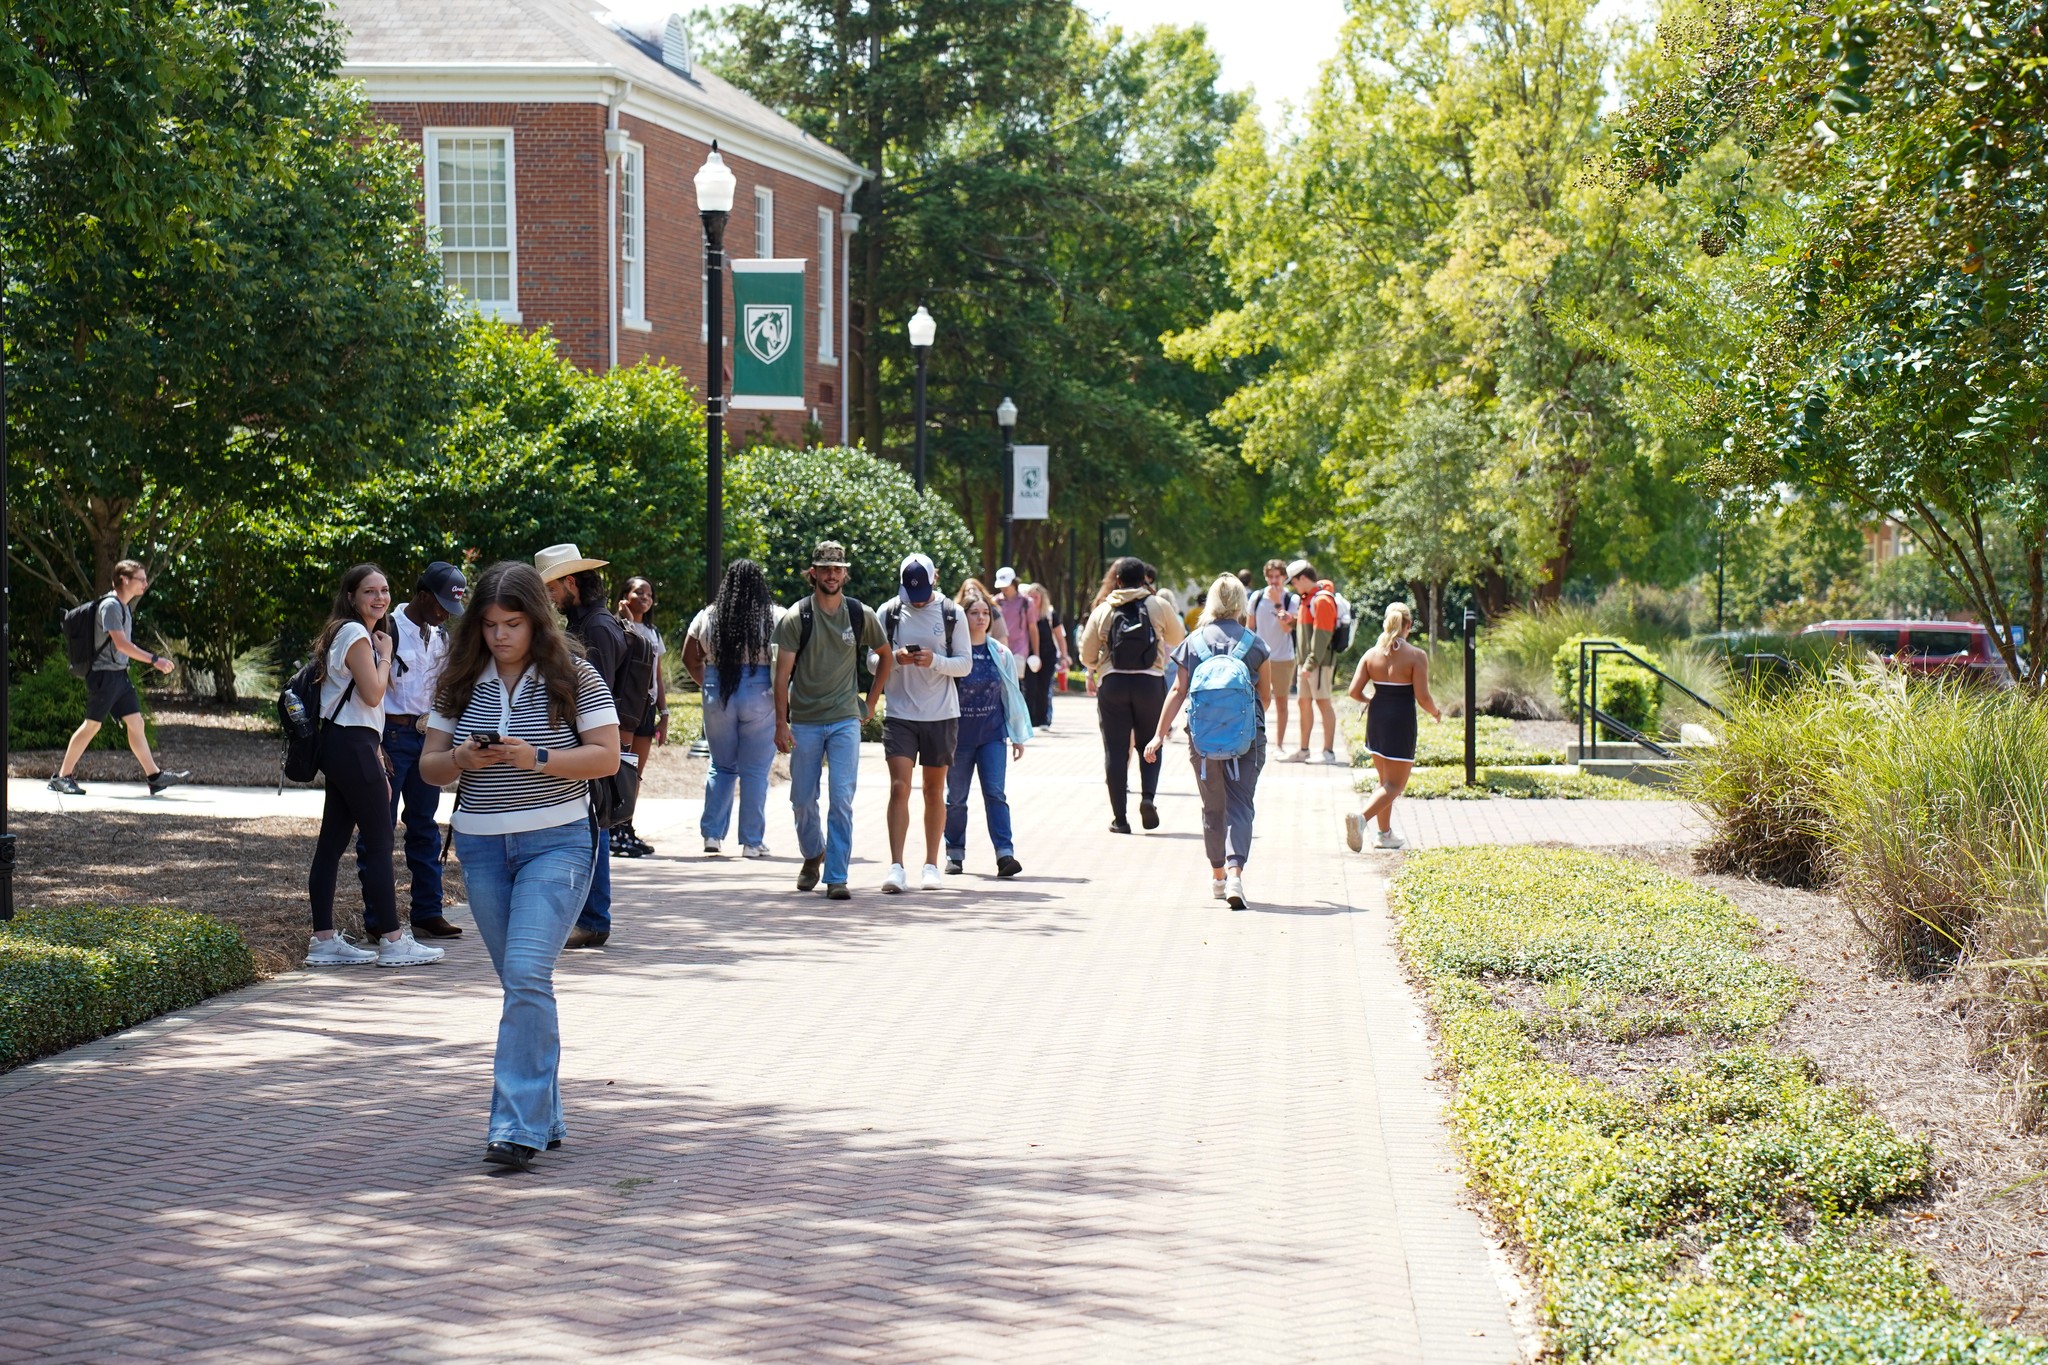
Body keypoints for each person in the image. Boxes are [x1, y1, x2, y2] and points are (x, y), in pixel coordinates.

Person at [418, 561, 621, 1172]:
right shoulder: (459, 680)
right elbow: (428, 768)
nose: (500, 635)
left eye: (512, 623)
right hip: (482, 847)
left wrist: (536, 757)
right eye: (489, 624)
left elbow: (607, 757)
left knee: (528, 974)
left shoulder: (574, 676)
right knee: (520, 983)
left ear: (538, 620)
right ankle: (544, 1115)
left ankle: (515, 1128)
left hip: (557, 844)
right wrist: (461, 758)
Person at [303, 564, 446, 969]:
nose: (380, 598)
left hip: (348, 742)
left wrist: (377, 748)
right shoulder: (355, 634)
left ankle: (324, 941)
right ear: (351, 596)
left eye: (384, 590)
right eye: (370, 591)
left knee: (332, 844)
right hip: (352, 744)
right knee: (380, 842)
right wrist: (385, 656)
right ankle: (393, 941)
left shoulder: (348, 632)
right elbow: (373, 693)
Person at [772, 541, 892, 900]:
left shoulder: (858, 613)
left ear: (845, 574)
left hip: (844, 719)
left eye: (837, 569)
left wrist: (871, 702)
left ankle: (837, 876)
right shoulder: (797, 616)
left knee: (841, 798)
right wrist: (781, 723)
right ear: (813, 573)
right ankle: (813, 854)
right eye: (825, 569)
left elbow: (885, 655)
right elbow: (782, 676)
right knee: (802, 799)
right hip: (806, 720)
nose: (831, 575)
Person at [1145, 574, 1271, 908]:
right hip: (1248, 738)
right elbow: (1266, 697)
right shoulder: (1255, 643)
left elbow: (1178, 690)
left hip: (1203, 739)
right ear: (1241, 602)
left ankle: (1217, 877)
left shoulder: (1193, 643)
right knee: (1240, 805)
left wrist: (1158, 735)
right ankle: (1235, 875)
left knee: (1213, 807)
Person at [536, 544, 630, 950]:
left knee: (594, 828)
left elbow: (595, 695)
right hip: (581, 744)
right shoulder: (587, 622)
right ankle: (587, 918)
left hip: (590, 745)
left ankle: (592, 920)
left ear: (571, 582)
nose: (549, 598)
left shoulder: (596, 628)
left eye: (551, 588)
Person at [372, 561, 467, 941]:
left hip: (428, 739)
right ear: (423, 595)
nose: (446, 613)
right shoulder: (388, 630)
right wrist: (376, 744)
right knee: (379, 830)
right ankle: (379, 919)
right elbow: (370, 693)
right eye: (442, 604)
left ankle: (428, 912)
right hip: (391, 738)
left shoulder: (441, 637)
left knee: (425, 827)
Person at [48, 561, 188, 796]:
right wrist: (155, 660)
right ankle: (62, 777)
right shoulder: (111, 606)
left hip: (119, 675)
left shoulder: (123, 606)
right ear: (124, 579)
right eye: (141, 579)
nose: (145, 583)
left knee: (136, 723)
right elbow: (122, 645)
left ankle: (154, 776)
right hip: (104, 675)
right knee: (92, 725)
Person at [875, 554, 971, 893]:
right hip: (900, 714)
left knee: (933, 790)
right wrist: (894, 659)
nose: (916, 600)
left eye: (922, 592)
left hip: (941, 714)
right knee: (899, 787)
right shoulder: (888, 612)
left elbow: (964, 664)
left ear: (935, 579)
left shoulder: (952, 613)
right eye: (910, 593)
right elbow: (872, 661)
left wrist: (934, 661)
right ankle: (896, 866)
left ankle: (931, 865)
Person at [1078, 556, 1185, 833]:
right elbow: (1178, 638)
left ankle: (1120, 819)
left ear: (1117, 580)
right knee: (1150, 743)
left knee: (1115, 750)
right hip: (1150, 683)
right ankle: (1147, 798)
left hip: (1113, 684)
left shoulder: (1104, 609)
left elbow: (1087, 655)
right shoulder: (1157, 605)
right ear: (1144, 580)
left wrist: (1099, 663)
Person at [683, 559, 781, 858]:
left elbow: (689, 656)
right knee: (755, 770)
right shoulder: (775, 615)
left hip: (718, 688)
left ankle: (712, 835)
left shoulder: (709, 615)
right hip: (760, 689)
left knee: (722, 765)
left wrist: (709, 684)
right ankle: (751, 842)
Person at [945, 586, 1032, 876]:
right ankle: (954, 853)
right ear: (963, 617)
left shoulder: (1000, 653)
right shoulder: (952, 652)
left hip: (992, 736)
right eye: (974, 613)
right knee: (956, 799)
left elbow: (1010, 695)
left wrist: (1016, 736)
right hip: (958, 739)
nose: (981, 617)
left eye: (986, 613)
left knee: (995, 794)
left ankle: (1005, 855)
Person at [1345, 602, 1442, 852]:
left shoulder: (1371, 654)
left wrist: (1370, 699)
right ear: (1408, 625)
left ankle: (1384, 834)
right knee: (1395, 785)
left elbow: (1354, 691)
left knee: (1384, 782)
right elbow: (1423, 697)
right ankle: (1361, 819)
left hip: (1376, 719)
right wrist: (1435, 712)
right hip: (1400, 721)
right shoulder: (1416, 656)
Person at [612, 576, 667, 859]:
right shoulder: (618, 627)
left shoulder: (653, 631)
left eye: (649, 593)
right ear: (625, 596)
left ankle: (627, 827)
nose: (645, 597)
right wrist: (626, 620)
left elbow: (658, 674)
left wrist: (664, 712)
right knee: (620, 768)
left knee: (635, 774)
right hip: (626, 706)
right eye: (638, 592)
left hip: (647, 705)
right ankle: (614, 829)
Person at [1282, 559, 1342, 764]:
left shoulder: (1321, 600)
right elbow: (1308, 630)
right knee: (1303, 703)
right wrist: (1291, 621)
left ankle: (1328, 752)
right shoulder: (1307, 599)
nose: (1293, 586)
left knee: (1323, 702)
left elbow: (1322, 635)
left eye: (1294, 582)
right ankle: (1304, 750)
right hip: (1308, 663)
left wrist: (1310, 663)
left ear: (1303, 578)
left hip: (1318, 663)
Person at [1249, 559, 1301, 754]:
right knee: (1255, 701)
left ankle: (1279, 745)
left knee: (1281, 702)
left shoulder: (1291, 599)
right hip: (1260, 657)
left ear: (1284, 577)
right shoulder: (1256, 597)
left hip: (1283, 658)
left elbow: (1287, 628)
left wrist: (1278, 603)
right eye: (1270, 576)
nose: (1273, 581)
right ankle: (1254, 742)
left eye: (1277, 577)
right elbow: (1249, 628)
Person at [1022, 582, 1067, 729]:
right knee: (1029, 687)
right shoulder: (1024, 614)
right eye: (1030, 597)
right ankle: (1030, 719)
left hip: (1047, 655)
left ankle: (1043, 720)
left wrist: (1064, 656)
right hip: (1028, 655)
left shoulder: (1049, 614)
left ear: (1042, 598)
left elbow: (1060, 637)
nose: (1033, 600)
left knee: (1044, 687)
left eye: (1036, 597)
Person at [992, 567, 1041, 680]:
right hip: (999, 649)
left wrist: (1036, 654)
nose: (1003, 588)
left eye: (1006, 584)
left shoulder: (1026, 602)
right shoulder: (995, 602)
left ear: (1014, 582)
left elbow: (1033, 628)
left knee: (1016, 681)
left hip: (1019, 649)